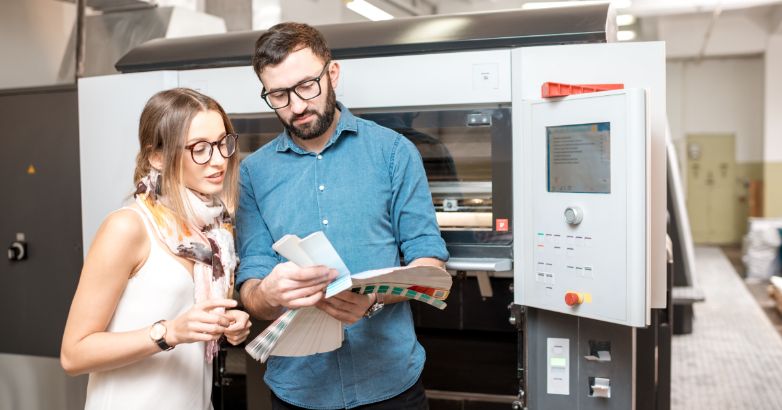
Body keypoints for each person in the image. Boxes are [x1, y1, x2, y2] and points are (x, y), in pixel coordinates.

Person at [236, 22, 449, 409]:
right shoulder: (253, 174)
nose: (297, 106)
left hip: (390, 384)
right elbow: (251, 288)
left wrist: (375, 297)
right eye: (279, 95)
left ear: (332, 73)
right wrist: (267, 294)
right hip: (298, 390)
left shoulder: (394, 153)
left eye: (306, 86)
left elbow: (429, 269)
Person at [60, 88, 252, 409]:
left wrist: (228, 328)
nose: (219, 159)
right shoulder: (129, 227)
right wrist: (170, 332)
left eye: (223, 143)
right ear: (157, 157)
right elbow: (74, 354)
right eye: (200, 148)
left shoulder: (214, 233)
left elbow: (194, 333)